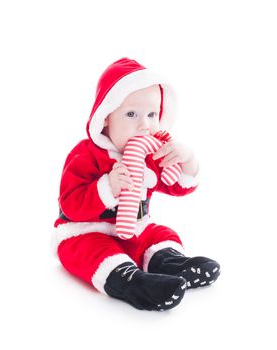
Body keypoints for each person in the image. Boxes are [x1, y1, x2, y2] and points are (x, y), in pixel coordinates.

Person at [53, 57, 221, 311]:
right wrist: (107, 187)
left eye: (152, 114)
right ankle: (132, 282)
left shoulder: (149, 153)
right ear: (107, 116)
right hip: (86, 231)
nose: (145, 125)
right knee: (92, 251)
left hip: (134, 227)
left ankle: (171, 263)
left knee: (159, 233)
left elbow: (178, 186)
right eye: (132, 114)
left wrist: (187, 160)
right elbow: (71, 204)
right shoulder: (85, 154)